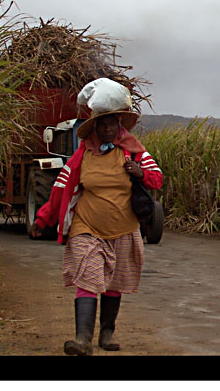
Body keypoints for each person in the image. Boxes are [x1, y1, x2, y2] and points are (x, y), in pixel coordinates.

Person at [32, 81, 163, 355]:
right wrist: (43, 219)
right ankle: (82, 340)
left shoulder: (134, 152)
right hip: (87, 227)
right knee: (87, 278)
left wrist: (139, 172)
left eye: (111, 125)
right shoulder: (81, 156)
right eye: (101, 126)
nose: (106, 130)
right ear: (93, 128)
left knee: (114, 284)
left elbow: (157, 179)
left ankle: (106, 333)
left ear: (119, 125)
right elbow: (59, 189)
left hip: (123, 229)